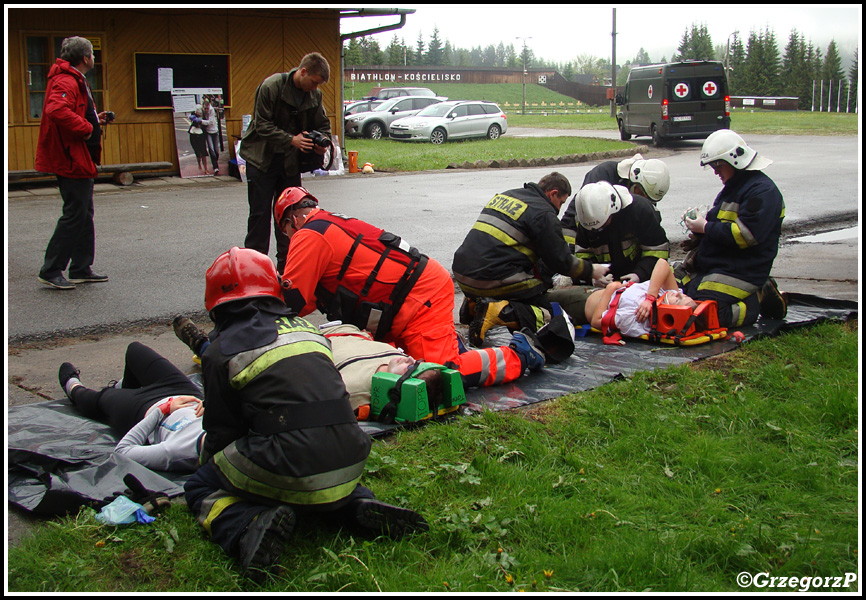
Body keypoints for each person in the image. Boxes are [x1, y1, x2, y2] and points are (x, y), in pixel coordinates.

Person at [184, 247, 427, 582]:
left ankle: (244, 527)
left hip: (290, 458)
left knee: (201, 485)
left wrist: (211, 467)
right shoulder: (309, 330)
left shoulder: (221, 351)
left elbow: (222, 431)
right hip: (351, 452)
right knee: (307, 457)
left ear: (217, 305)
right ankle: (355, 504)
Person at [273, 187, 548, 390]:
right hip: (410, 300)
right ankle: (456, 348)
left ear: (291, 221)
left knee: (441, 375)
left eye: (285, 232)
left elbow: (292, 301)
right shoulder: (328, 226)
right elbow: (306, 299)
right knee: (412, 368)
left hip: (418, 299)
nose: (287, 238)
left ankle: (520, 355)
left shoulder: (309, 235)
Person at [451, 172, 608, 347]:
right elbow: (560, 261)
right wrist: (591, 270)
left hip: (463, 274)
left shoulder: (507, 195)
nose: (559, 209)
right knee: (544, 307)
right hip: (488, 278)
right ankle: (500, 312)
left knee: (520, 275)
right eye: (561, 202)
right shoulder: (544, 214)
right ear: (553, 193)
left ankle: (474, 306)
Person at [679, 129, 787, 327]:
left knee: (706, 314)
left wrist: (705, 228)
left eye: (718, 165)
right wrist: (698, 231)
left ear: (734, 161)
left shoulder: (763, 193)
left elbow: (746, 235)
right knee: (674, 292)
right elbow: (720, 227)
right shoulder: (735, 187)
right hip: (718, 265)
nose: (715, 171)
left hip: (742, 270)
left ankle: (757, 300)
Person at [240, 52, 332, 273]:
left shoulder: (314, 96)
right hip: (261, 159)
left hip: (289, 163)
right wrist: (291, 139)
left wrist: (322, 143)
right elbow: (261, 125)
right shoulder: (271, 86)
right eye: (313, 82)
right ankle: (255, 270)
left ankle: (288, 269)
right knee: (259, 217)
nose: (315, 88)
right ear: (303, 72)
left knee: (289, 218)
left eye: (318, 84)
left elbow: (323, 125)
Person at [57, 342, 205, 473]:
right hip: (186, 392)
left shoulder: (175, 452)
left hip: (144, 409)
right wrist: (211, 404)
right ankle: (124, 387)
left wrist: (162, 410)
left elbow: (123, 450)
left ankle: (73, 388)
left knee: (99, 399)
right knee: (135, 351)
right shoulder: (226, 428)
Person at [35, 36, 110, 290]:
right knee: (75, 213)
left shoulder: (72, 78)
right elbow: (56, 109)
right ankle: (51, 269)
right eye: (92, 54)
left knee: (83, 213)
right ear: (86, 58)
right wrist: (87, 128)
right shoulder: (67, 79)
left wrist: (94, 119)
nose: (94, 58)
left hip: (77, 155)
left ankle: (80, 267)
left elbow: (69, 109)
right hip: (71, 156)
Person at [560, 181, 670, 288]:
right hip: (607, 285)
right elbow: (583, 256)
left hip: (644, 282)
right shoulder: (586, 221)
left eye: (603, 224)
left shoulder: (639, 210)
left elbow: (658, 252)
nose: (599, 230)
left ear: (614, 210)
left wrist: (639, 275)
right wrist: (592, 277)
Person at [583, 258, 698, 344]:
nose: (679, 293)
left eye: (678, 300)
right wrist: (650, 297)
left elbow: (596, 321)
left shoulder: (638, 317)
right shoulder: (665, 296)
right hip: (597, 291)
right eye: (684, 296)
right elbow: (662, 264)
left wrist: (611, 288)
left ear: (669, 314)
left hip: (584, 302)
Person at [560, 154, 670, 228]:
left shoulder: (648, 189)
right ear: (633, 180)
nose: (643, 200)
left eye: (649, 200)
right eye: (642, 194)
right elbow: (580, 214)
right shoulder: (604, 174)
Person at [200, 98, 220, 175]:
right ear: (203, 107)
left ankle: (215, 162)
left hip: (214, 131)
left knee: (216, 151)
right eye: (205, 108)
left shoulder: (212, 111)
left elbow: (210, 122)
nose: (206, 110)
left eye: (207, 108)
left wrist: (201, 121)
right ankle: (215, 167)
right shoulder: (201, 110)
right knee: (211, 149)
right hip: (208, 132)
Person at [188, 104, 209, 174]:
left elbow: (207, 123)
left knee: (203, 152)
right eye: (198, 111)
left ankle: (206, 169)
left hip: (201, 135)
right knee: (197, 152)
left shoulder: (205, 115)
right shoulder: (193, 115)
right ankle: (199, 164)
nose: (199, 112)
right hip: (193, 135)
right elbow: (191, 117)